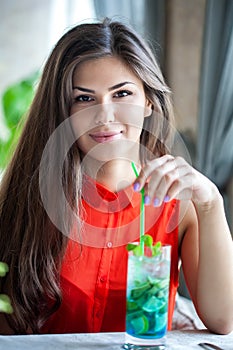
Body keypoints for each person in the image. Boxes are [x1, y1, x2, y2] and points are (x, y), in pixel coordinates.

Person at [0, 17, 233, 335]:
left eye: (122, 94)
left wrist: (211, 203)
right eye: (84, 99)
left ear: (148, 100)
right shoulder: (24, 195)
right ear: (62, 111)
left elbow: (223, 320)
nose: (104, 116)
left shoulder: (180, 204)